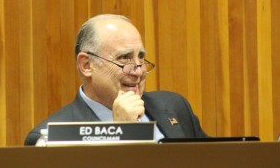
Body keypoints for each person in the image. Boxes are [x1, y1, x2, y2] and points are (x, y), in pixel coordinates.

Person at [24, 14, 207, 145]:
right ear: (87, 65)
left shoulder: (174, 106)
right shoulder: (50, 137)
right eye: (124, 58)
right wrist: (121, 133)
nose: (138, 71)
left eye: (141, 57)